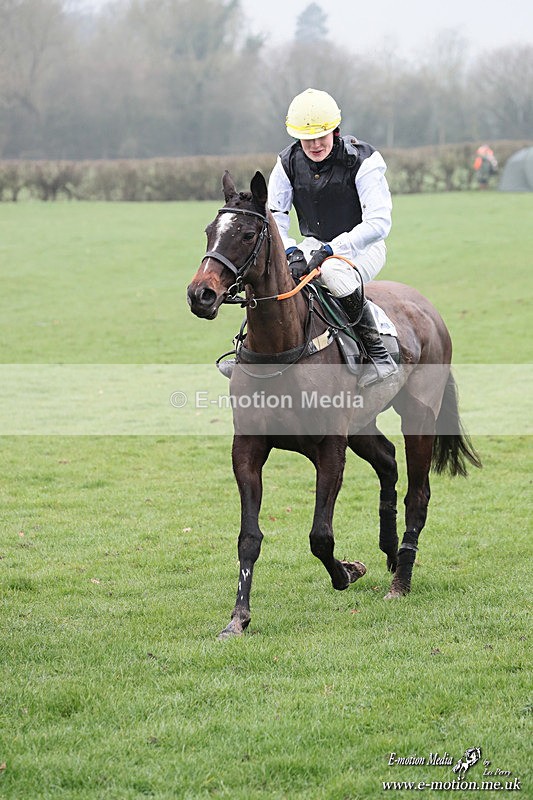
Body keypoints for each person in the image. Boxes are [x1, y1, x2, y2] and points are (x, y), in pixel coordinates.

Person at [267, 87, 397, 387]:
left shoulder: (364, 160)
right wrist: (290, 252)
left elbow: (379, 223)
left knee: (333, 271)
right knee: (271, 273)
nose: (315, 145)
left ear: (334, 130)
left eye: (321, 136)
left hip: (363, 247)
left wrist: (331, 249)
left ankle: (377, 353)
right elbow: (275, 217)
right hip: (314, 245)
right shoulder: (286, 162)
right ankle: (252, 353)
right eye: (307, 138)